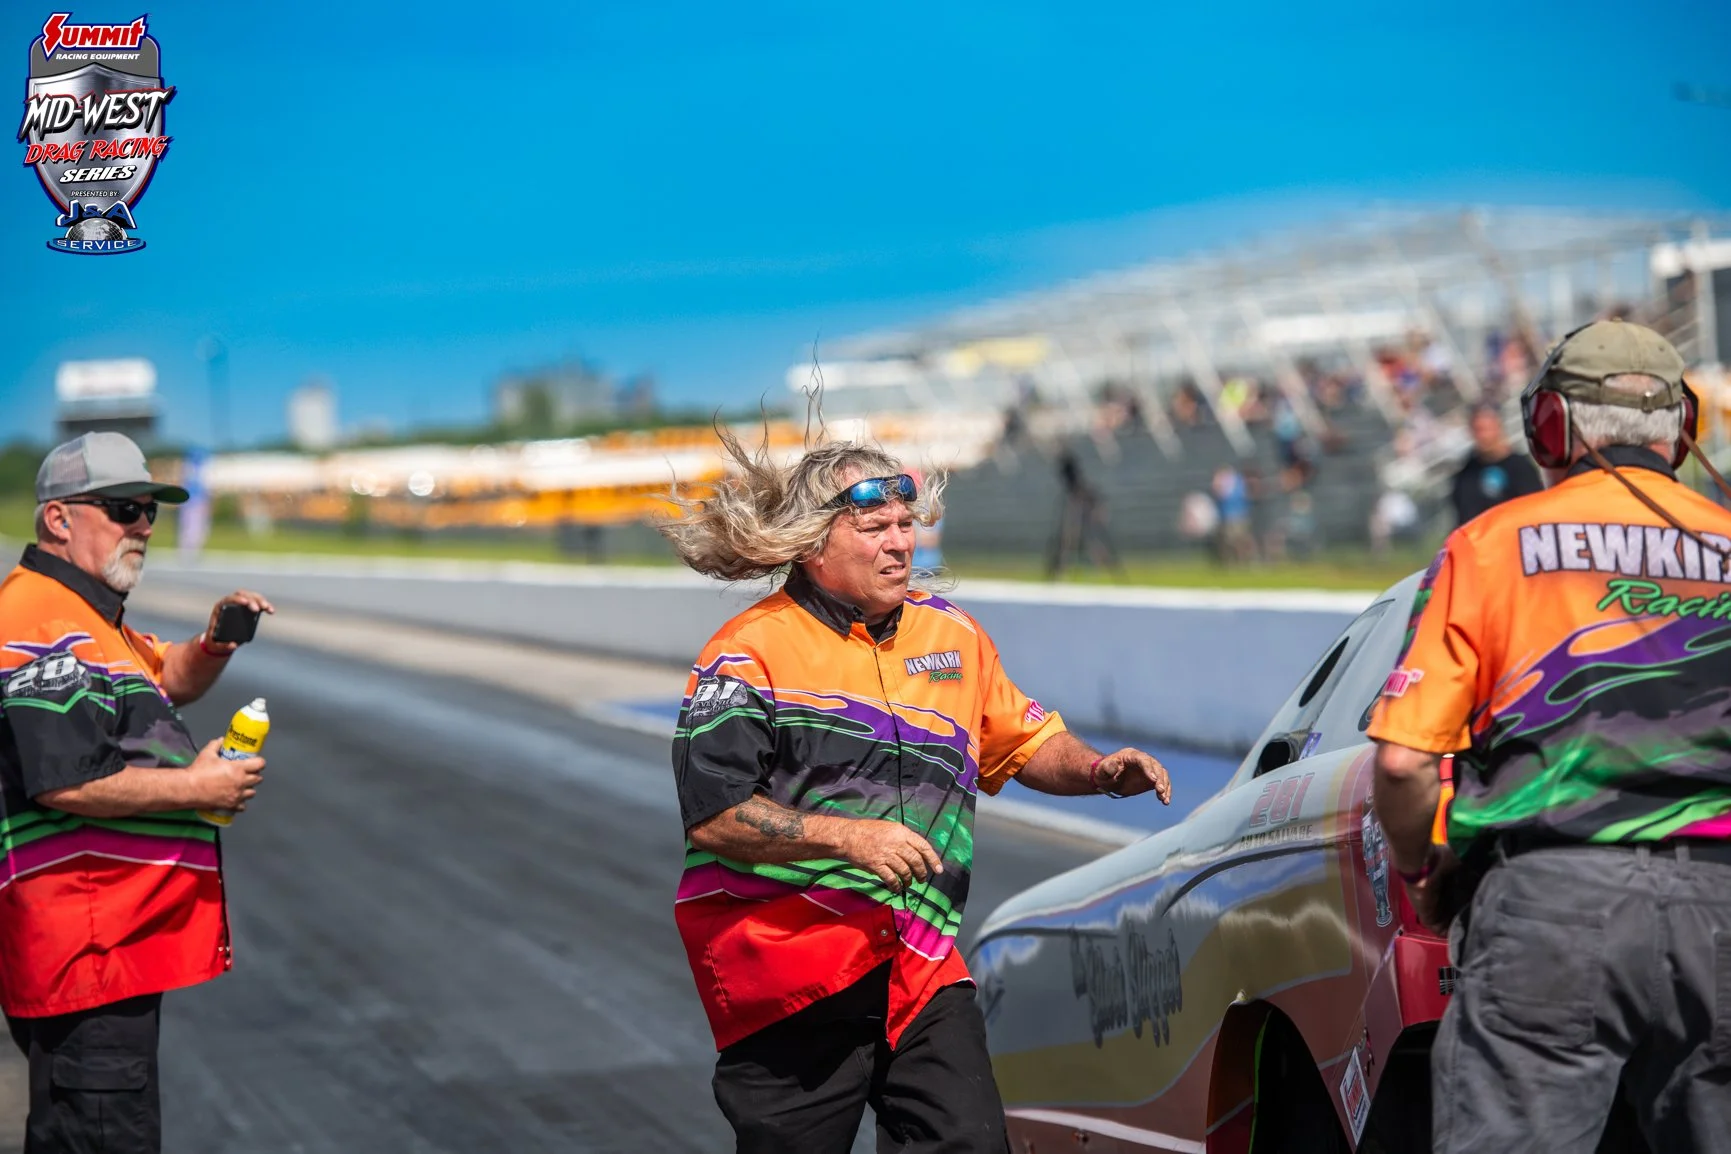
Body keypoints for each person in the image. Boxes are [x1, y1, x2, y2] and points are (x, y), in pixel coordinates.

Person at [659, 432, 1172, 1154]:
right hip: (791, 975)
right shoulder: (746, 652)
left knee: (969, 1141)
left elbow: (1024, 739)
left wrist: (1095, 770)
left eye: (906, 525)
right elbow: (714, 814)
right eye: (875, 528)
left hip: (920, 963)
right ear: (814, 543)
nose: (900, 544)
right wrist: (848, 837)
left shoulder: (953, 635)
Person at [1367, 321, 1731, 1153]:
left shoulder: (1487, 545)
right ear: (1682, 429)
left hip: (1549, 905)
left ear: (1548, 427)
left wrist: (1423, 872)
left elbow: (1401, 762)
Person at [1, 432, 274, 1154]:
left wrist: (215, 643)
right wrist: (199, 786)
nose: (144, 527)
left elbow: (167, 675)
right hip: (85, 948)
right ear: (59, 519)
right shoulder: (43, 623)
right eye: (125, 509)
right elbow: (66, 781)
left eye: (151, 511)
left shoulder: (87, 616)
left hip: (104, 948)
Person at [1449, 403, 1542, 525]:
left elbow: (1535, 506)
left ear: (1498, 427)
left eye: (1486, 429)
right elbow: (1465, 518)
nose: (1483, 436)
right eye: (1478, 430)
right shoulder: (1466, 476)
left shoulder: (1521, 466)